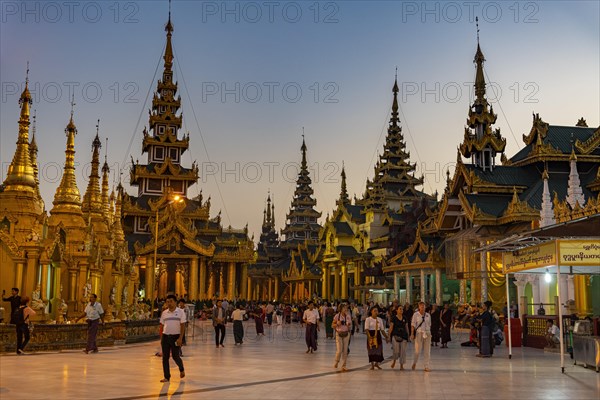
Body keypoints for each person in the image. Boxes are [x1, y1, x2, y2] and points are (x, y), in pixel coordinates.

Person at [159, 294, 185, 383]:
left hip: (176, 337)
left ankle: (181, 369)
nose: (169, 303)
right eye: (167, 302)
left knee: (175, 356)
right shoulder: (164, 313)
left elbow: (182, 326)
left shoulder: (181, 312)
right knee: (165, 358)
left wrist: (180, 338)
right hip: (165, 337)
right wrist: (161, 338)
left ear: (175, 302)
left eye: (171, 301)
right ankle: (167, 376)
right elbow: (161, 326)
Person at [411, 301, 432, 372]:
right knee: (417, 350)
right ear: (419, 307)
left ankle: (426, 366)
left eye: (424, 306)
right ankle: (414, 362)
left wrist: (428, 332)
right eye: (421, 306)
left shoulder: (428, 315)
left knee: (427, 350)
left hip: (427, 333)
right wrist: (412, 334)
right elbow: (413, 325)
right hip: (419, 333)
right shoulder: (415, 314)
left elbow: (429, 324)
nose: (423, 307)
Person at [389, 304, 409, 369]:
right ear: (397, 310)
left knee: (403, 351)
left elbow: (406, 327)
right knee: (396, 350)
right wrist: (388, 336)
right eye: (400, 309)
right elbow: (391, 327)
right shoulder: (394, 318)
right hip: (395, 335)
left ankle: (401, 365)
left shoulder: (405, 318)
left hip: (403, 335)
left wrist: (408, 335)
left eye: (402, 309)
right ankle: (394, 361)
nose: (401, 310)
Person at [332, 303, 351, 372]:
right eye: (344, 308)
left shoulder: (348, 316)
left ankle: (344, 365)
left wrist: (348, 324)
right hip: (339, 334)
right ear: (340, 309)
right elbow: (332, 325)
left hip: (346, 334)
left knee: (345, 351)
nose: (346, 309)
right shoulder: (337, 316)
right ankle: (337, 361)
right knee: (339, 350)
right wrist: (337, 323)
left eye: (346, 308)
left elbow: (349, 325)